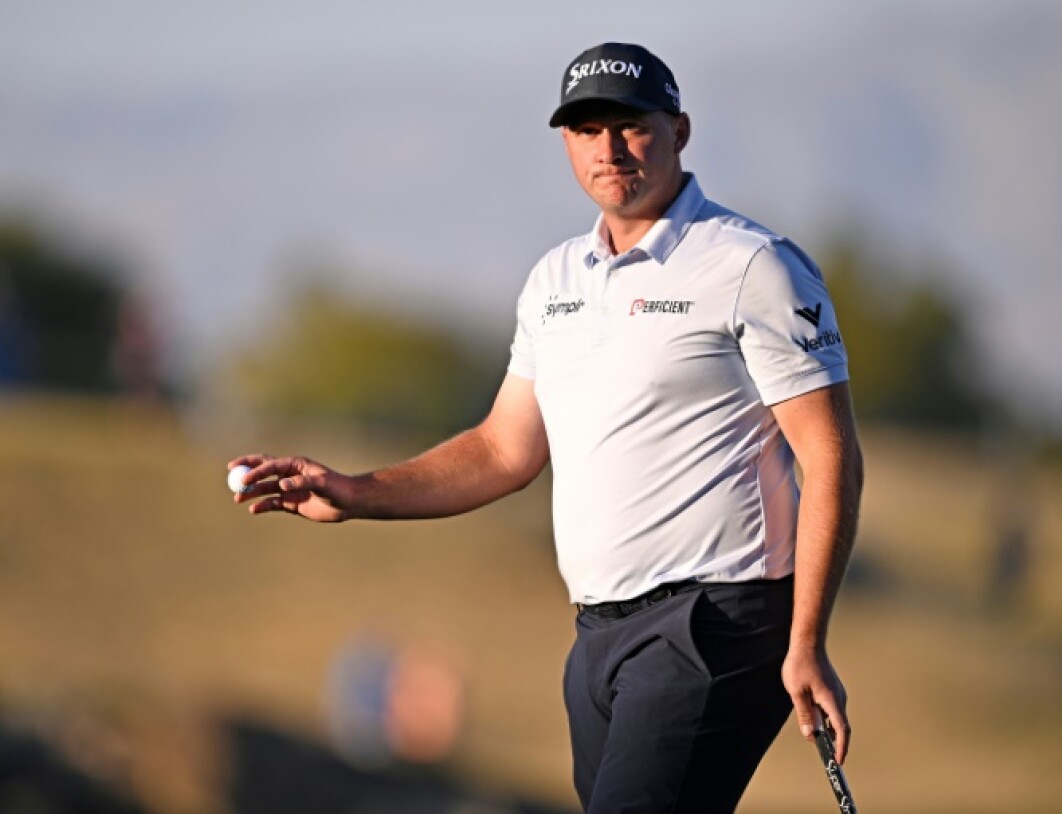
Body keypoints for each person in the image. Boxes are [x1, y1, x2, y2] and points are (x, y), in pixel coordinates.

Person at [230, 41, 864, 814]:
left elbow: (829, 459)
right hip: (597, 636)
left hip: (718, 623)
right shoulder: (555, 281)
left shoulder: (752, 265)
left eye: (629, 125)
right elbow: (504, 448)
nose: (610, 148)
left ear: (680, 130)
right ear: (566, 142)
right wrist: (358, 492)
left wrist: (806, 642)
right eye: (586, 129)